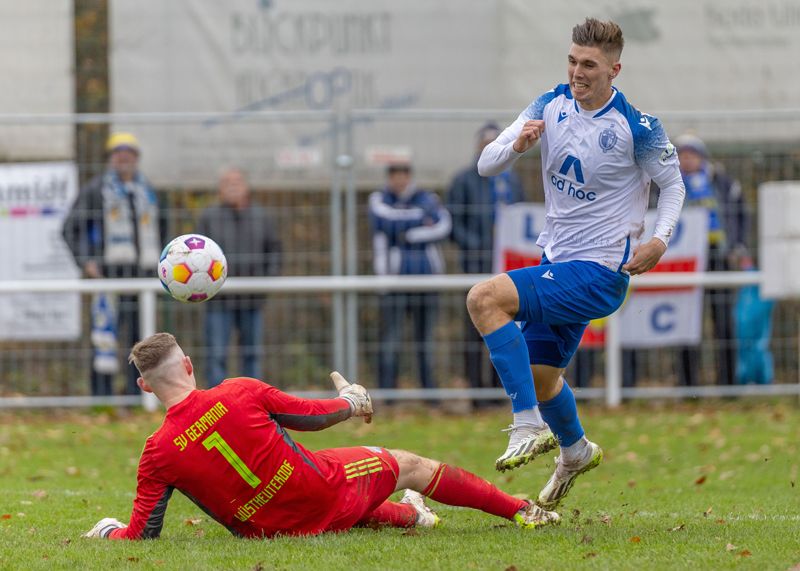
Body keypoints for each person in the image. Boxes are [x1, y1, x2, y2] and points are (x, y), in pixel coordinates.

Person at [467, 18, 685, 510]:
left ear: (614, 69)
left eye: (589, 64)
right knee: (543, 378)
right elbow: (486, 163)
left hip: (601, 271)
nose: (577, 72)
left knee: (484, 298)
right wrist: (516, 146)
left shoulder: (637, 126)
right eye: (572, 60)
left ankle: (526, 425)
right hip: (558, 259)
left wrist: (660, 239)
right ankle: (575, 450)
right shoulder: (551, 104)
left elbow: (673, 185)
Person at [83, 332, 561, 540]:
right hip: (315, 492)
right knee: (406, 465)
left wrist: (107, 531)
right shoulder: (240, 391)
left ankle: (412, 519)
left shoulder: (156, 453)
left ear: (145, 386)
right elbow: (314, 416)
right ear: (188, 366)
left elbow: (141, 534)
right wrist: (352, 401)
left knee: (335, 498)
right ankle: (523, 511)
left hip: (264, 530)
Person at [62, 132, 162, 396]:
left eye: (129, 152)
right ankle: (101, 397)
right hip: (107, 278)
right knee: (104, 338)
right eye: (118, 152)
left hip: (143, 278)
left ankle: (135, 396)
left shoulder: (148, 191)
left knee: (141, 342)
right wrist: (87, 262)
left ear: (136, 158)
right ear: (110, 158)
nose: (123, 157)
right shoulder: (96, 190)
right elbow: (71, 228)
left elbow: (163, 229)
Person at [447, 123, 524, 401]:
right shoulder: (464, 180)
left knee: (503, 327)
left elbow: (520, 217)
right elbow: (454, 223)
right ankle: (476, 390)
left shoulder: (511, 181)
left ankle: (497, 389)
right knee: (473, 328)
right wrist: (479, 247)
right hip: (476, 265)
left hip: (506, 266)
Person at [369, 163, 452, 391]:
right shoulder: (379, 199)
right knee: (391, 340)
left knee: (426, 340)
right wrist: (421, 219)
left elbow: (443, 224)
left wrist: (409, 234)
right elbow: (384, 220)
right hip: (393, 281)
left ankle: (430, 393)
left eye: (403, 175)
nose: (399, 181)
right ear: (389, 178)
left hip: (427, 281)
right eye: (394, 176)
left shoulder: (427, 197)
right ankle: (387, 393)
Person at [196, 168, 282, 387]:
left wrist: (264, 282)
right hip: (218, 300)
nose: (233, 187)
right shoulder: (209, 217)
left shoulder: (261, 216)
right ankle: (218, 405)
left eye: (237, 182)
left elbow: (275, 250)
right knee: (216, 355)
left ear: (246, 187)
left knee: (252, 355)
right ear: (220, 189)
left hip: (252, 299)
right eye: (227, 183)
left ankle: (252, 401)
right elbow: (196, 257)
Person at [674, 134, 748, 386]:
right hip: (686, 260)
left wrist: (737, 246)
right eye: (682, 155)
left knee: (724, 322)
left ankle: (728, 384)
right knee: (686, 322)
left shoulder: (722, 182)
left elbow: (739, 215)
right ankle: (688, 387)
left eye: (691, 154)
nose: (687, 160)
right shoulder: (670, 184)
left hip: (718, 255)